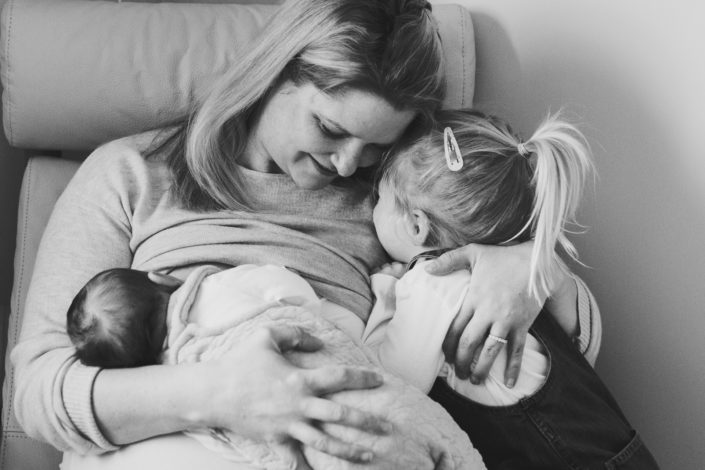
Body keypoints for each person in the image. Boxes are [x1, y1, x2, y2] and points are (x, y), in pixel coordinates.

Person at [11, 0, 585, 468]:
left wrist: (534, 268)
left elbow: (572, 347)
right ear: (274, 72)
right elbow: (38, 391)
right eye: (330, 129)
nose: (345, 166)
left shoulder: (392, 203)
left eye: (376, 148)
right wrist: (223, 395)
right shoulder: (130, 175)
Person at [362, 108, 660, 468]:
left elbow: (390, 382)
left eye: (379, 198)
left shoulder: (432, 281)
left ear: (415, 226)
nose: (371, 208)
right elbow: (584, 347)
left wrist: (384, 289)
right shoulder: (526, 279)